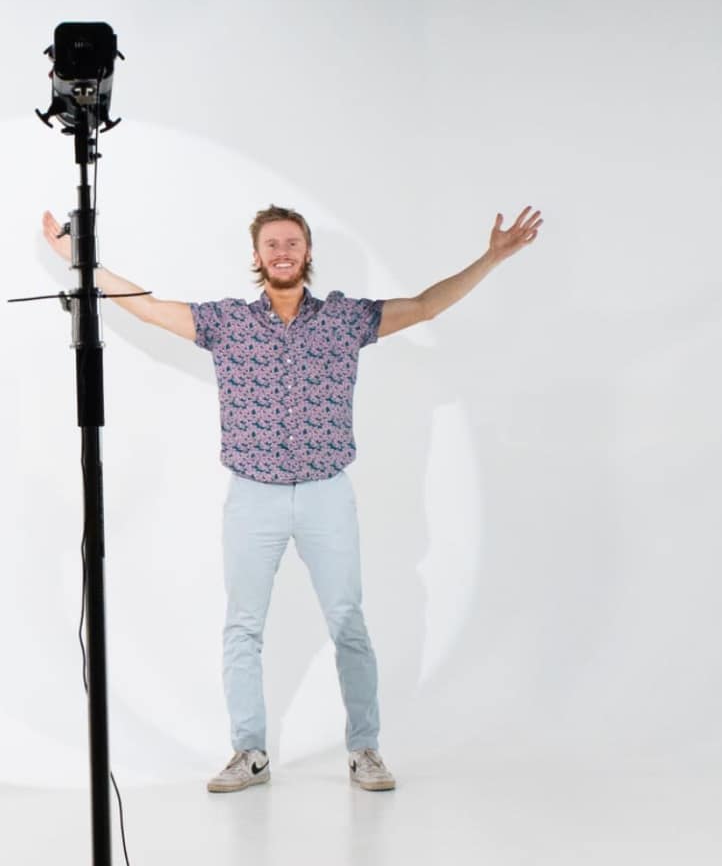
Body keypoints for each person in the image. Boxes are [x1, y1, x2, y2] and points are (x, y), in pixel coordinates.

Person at [41, 201, 543, 793]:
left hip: (327, 494)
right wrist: (78, 258)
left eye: (293, 243)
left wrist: (492, 257)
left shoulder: (344, 320)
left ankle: (365, 750)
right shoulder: (227, 322)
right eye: (272, 244)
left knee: (348, 621)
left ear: (307, 254)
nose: (283, 252)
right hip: (253, 496)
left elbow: (427, 305)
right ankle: (248, 751)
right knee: (243, 627)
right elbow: (149, 310)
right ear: (256, 257)